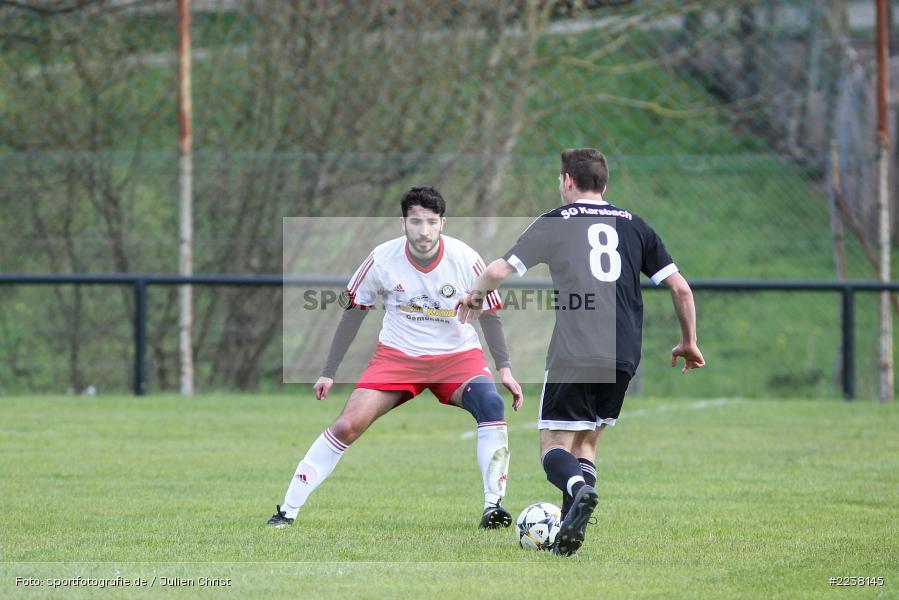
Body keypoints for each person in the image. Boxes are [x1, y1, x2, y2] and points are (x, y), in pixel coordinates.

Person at [457, 148, 705, 555]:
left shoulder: (556, 221)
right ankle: (571, 534)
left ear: (568, 180)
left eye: (560, 178)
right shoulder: (635, 225)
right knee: (586, 444)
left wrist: (475, 295)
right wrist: (689, 341)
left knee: (553, 446)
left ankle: (577, 489)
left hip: (574, 351)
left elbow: (498, 269)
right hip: (623, 352)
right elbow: (681, 288)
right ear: (603, 183)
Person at [268, 186, 524, 530]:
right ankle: (286, 512)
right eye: (416, 222)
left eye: (431, 222)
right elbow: (354, 311)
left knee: (491, 404)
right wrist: (329, 371)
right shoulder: (382, 258)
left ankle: (493, 507)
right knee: (347, 425)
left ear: (443, 223)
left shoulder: (465, 258)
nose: (424, 231)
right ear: (403, 223)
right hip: (398, 358)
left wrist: (505, 369)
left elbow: (490, 314)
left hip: (457, 358)